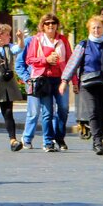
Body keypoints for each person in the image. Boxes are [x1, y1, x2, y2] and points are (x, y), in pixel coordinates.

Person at [61, 16, 103, 155]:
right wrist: (64, 81)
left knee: (102, 113)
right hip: (88, 84)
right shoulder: (83, 45)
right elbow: (72, 64)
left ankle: (95, 141)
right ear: (89, 29)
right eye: (93, 28)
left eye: (99, 27)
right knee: (93, 112)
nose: (96, 30)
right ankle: (98, 142)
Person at [25, 13, 71, 152]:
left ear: (57, 25)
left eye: (53, 23)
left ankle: (60, 137)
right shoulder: (37, 39)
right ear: (43, 26)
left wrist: (74, 81)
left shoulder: (63, 39)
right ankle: (48, 141)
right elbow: (29, 59)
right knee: (47, 112)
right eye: (47, 23)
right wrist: (46, 59)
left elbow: (70, 61)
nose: (50, 25)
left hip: (60, 79)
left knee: (63, 109)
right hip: (43, 79)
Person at [15, 30, 39, 148]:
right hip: (34, 82)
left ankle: (52, 139)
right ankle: (27, 137)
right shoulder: (30, 41)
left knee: (53, 113)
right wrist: (27, 79)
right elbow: (19, 64)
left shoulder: (56, 41)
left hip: (51, 81)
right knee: (33, 112)